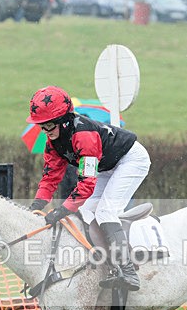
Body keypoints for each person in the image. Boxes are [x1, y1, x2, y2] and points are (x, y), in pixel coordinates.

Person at [26, 86, 150, 291]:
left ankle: (128, 271)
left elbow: (86, 183)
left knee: (105, 211)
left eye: (48, 125)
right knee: (85, 211)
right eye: (42, 127)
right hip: (107, 165)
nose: (46, 132)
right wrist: (36, 207)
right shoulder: (53, 143)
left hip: (130, 160)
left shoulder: (83, 135)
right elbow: (49, 178)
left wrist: (63, 209)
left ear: (63, 121)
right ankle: (109, 262)